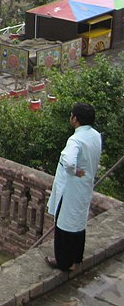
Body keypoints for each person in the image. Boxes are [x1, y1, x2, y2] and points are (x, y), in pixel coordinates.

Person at [45, 102, 102, 272]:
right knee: (79, 222)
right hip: (85, 186)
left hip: (71, 188)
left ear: (75, 119)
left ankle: (63, 262)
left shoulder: (75, 139)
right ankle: (77, 257)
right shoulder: (95, 135)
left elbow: (69, 161)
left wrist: (73, 170)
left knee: (64, 224)